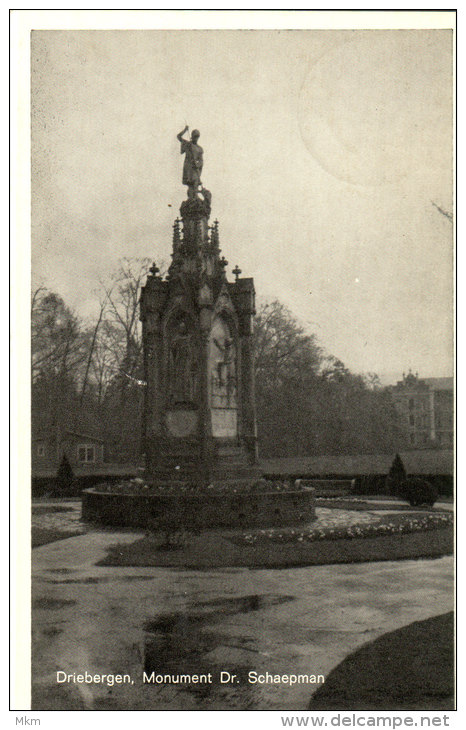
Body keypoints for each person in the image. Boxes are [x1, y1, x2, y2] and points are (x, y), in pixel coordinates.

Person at [177, 126, 203, 198]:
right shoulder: (188, 144)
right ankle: (192, 198)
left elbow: (201, 160)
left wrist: (198, 165)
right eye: (195, 136)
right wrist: (185, 130)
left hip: (195, 168)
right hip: (189, 168)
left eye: (197, 136)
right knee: (191, 184)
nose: (196, 138)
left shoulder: (199, 148)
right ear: (192, 136)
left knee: (195, 182)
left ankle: (195, 197)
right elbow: (179, 136)